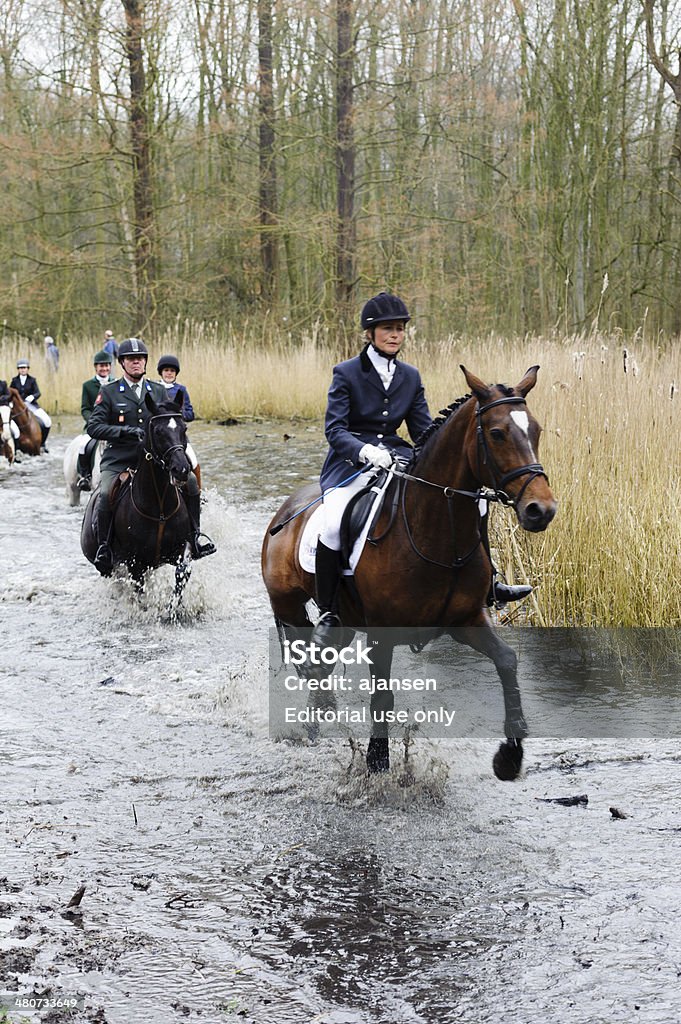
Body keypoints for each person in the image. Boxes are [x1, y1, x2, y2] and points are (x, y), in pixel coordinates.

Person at [310, 291, 531, 647]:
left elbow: (423, 431)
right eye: (387, 329)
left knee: (476, 501)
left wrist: (430, 458)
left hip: (398, 457)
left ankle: (490, 582)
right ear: (370, 333)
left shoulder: (410, 376)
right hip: (351, 464)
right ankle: (328, 611)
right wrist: (366, 450)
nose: (395, 335)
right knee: (334, 521)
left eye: (399, 329)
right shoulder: (346, 373)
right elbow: (335, 430)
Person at [86, 337, 216, 576]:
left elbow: (171, 420)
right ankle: (104, 547)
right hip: (120, 458)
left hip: (155, 458)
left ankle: (195, 537)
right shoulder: (110, 392)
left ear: (145, 362)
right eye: (131, 360)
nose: (136, 363)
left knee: (189, 482)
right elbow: (93, 427)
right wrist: (125, 431)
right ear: (122, 363)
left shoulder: (157, 390)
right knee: (105, 493)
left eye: (140, 359)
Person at [75, 350, 117, 489]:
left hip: (113, 426)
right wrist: (92, 421)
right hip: (94, 426)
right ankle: (85, 476)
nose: (104, 369)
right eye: (101, 366)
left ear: (110, 367)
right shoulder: (88, 385)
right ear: (95, 367)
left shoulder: (116, 383)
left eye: (106, 366)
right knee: (83, 445)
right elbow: (85, 408)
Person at [10, 358, 52, 451]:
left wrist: (32, 397)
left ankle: (43, 443)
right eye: (20, 368)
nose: (22, 370)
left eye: (24, 368)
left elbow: (38, 392)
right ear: (18, 369)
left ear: (27, 368)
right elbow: (10, 392)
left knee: (47, 421)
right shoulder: (14, 380)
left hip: (31, 405)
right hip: (18, 406)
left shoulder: (32, 380)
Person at [156, 354, 195, 421]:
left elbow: (190, 414)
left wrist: (181, 413)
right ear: (161, 372)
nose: (169, 373)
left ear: (176, 373)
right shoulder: (154, 388)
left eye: (172, 371)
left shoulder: (181, 390)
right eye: (166, 370)